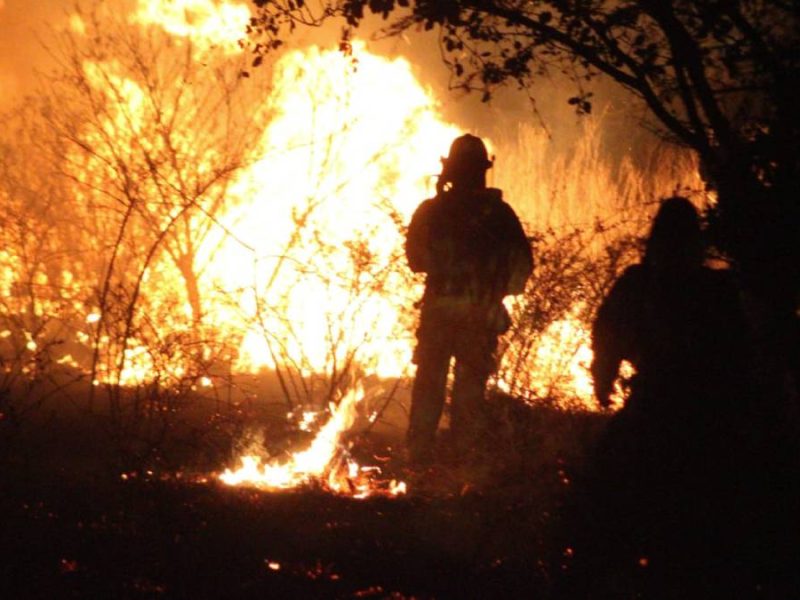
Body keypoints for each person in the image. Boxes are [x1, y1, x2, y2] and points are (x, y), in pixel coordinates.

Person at [404, 134, 533, 463]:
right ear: (482, 170)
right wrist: (494, 289)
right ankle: (461, 466)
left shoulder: (432, 211)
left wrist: (447, 270)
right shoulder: (500, 214)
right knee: (469, 395)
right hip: (478, 317)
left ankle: (419, 460)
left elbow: (416, 259)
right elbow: (522, 266)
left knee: (430, 389)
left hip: (441, 315)